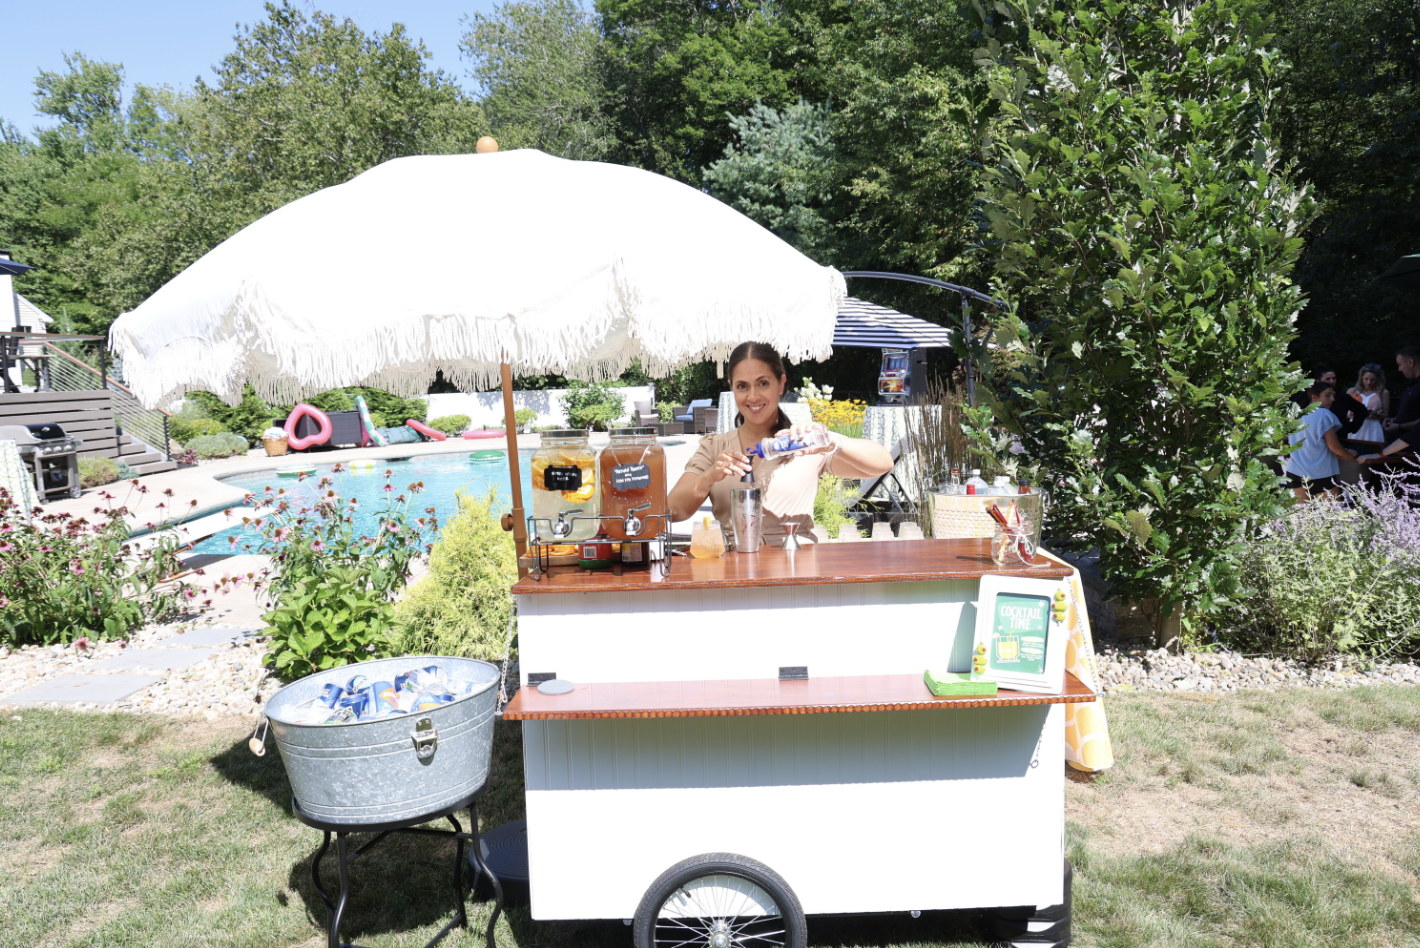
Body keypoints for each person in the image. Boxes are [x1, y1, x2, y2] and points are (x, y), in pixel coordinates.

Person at [669, 341, 893, 545]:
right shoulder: (714, 447)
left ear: (781, 383)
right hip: (735, 576)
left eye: (763, 383)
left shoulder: (803, 442)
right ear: (732, 388)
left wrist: (831, 441)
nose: (753, 396)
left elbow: (883, 463)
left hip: (797, 573)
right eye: (742, 386)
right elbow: (673, 510)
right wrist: (709, 476)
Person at [1284, 380, 1356, 500]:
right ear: (1314, 397)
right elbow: (1334, 446)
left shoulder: (1298, 415)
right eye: (1328, 396)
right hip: (1319, 474)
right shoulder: (1324, 414)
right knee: (1336, 516)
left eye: (1333, 396)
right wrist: (1351, 456)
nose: (1332, 399)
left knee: (1301, 517)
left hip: (1294, 472)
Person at [1382, 346, 1420, 442]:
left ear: (1411, 362)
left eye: (1400, 364)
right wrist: (1395, 419)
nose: (1399, 369)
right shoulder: (1412, 384)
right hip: (1404, 442)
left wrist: (1399, 426)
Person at [1347, 363, 1390, 443]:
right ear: (1361, 377)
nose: (1369, 382)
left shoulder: (1383, 393)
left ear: (1378, 379)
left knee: (1372, 452)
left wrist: (1375, 414)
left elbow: (1385, 415)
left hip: (1373, 428)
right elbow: (1343, 412)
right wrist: (1349, 414)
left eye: (1372, 380)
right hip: (1355, 427)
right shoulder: (1352, 391)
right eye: (1366, 379)